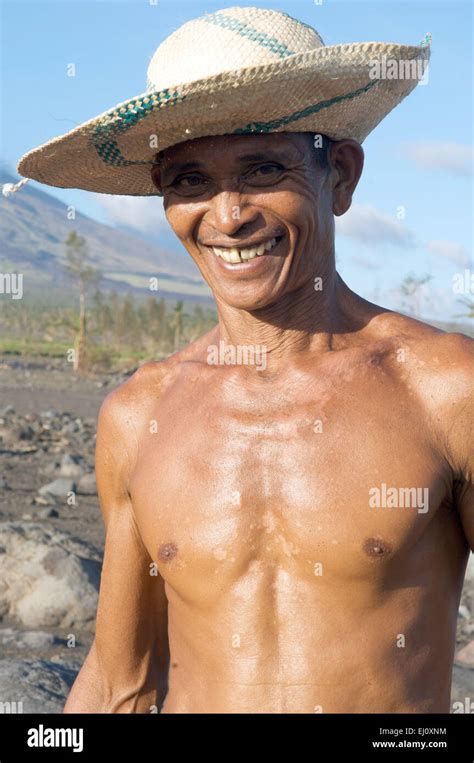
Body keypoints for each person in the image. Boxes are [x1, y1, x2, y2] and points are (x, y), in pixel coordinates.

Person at [12, 6, 473, 713]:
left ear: (340, 173)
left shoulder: (444, 390)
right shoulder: (141, 416)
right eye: (190, 180)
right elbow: (120, 683)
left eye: (263, 168)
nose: (227, 216)